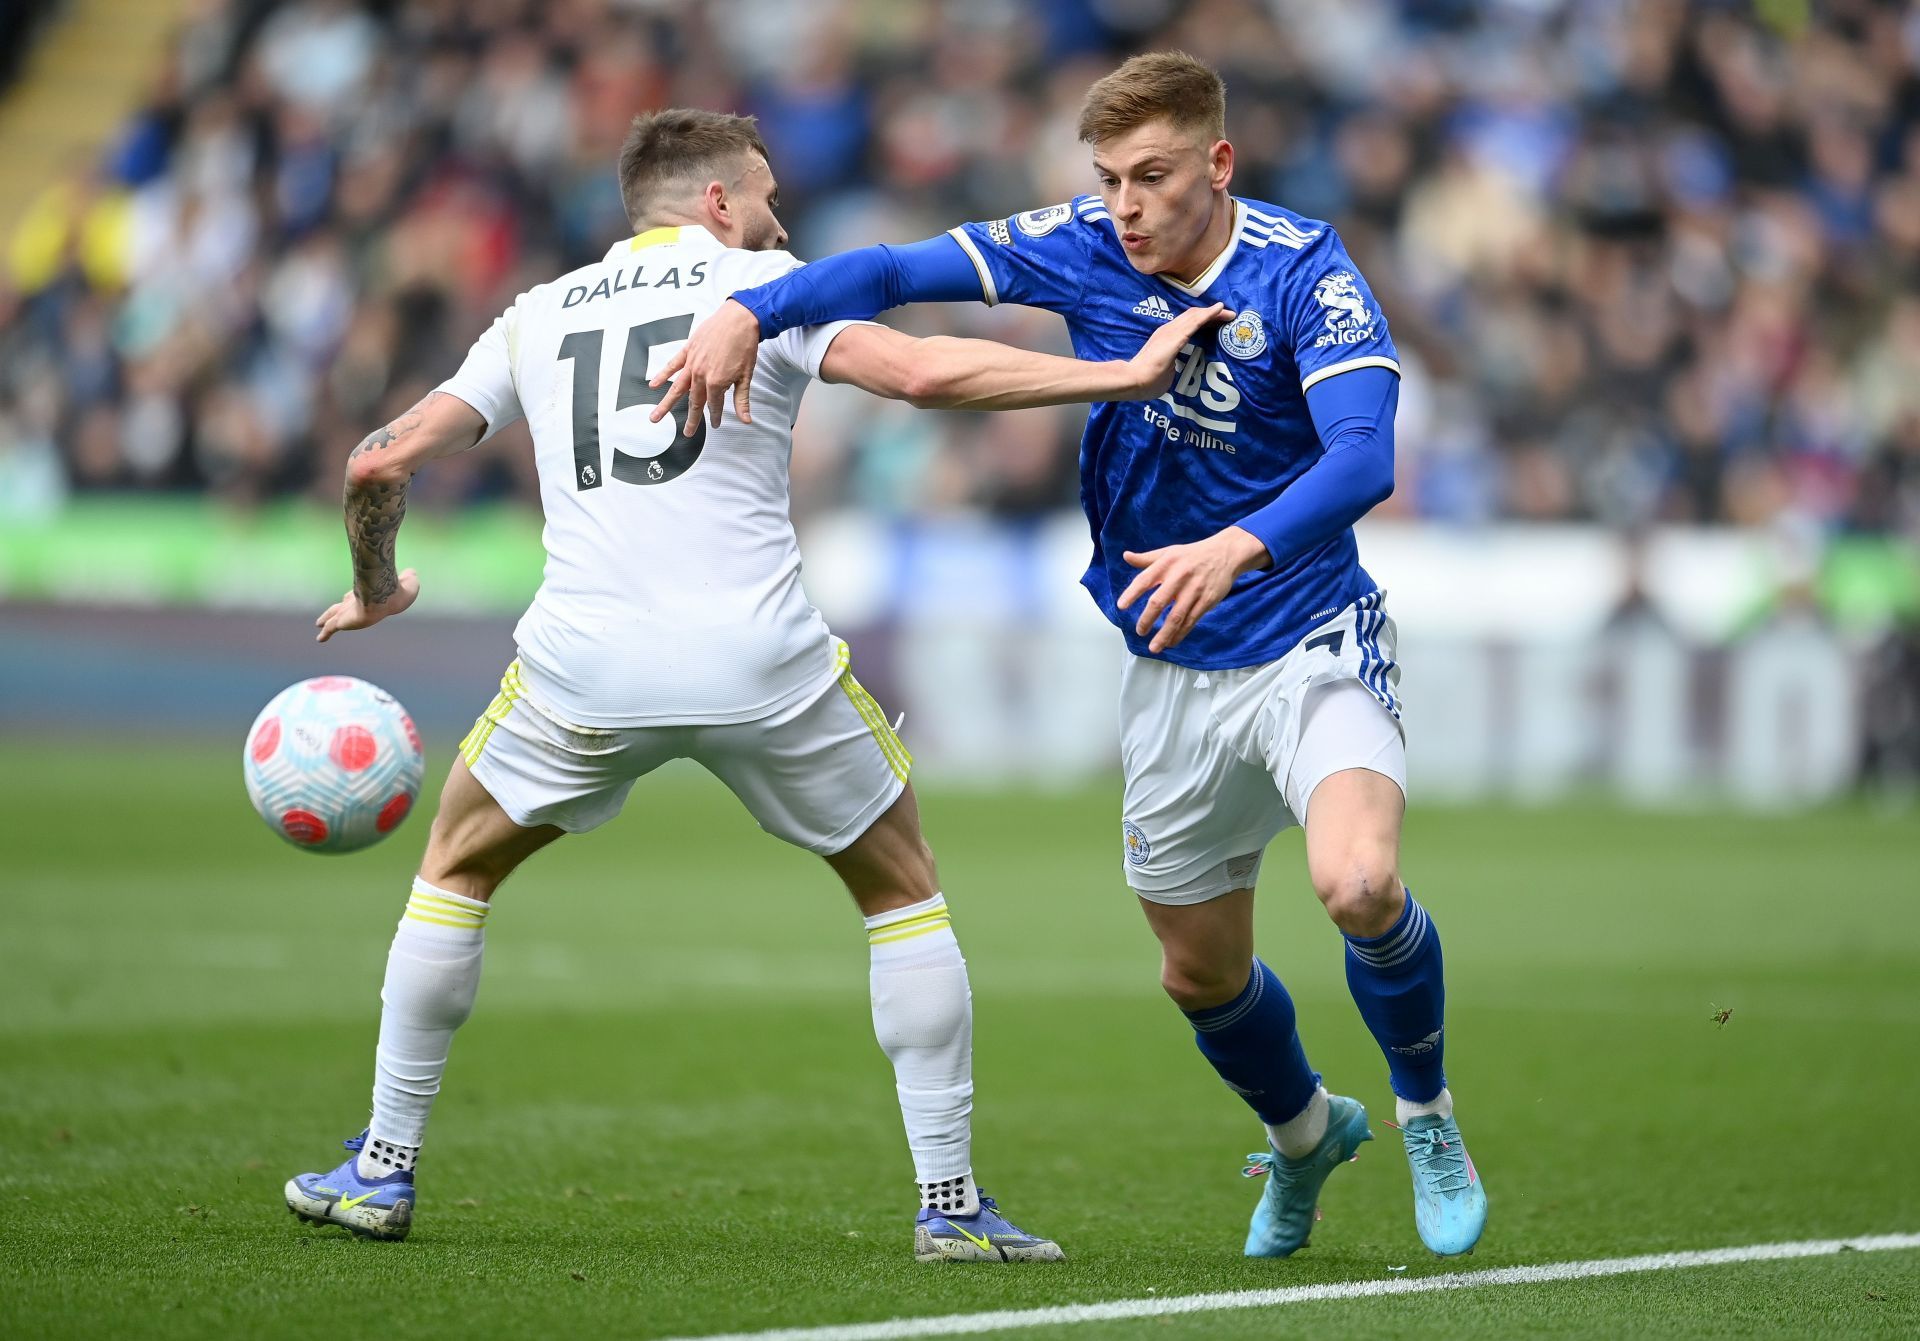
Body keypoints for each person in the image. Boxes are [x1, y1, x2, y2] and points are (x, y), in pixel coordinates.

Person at [284, 107, 1222, 1261]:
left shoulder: (533, 317)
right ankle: (950, 1206)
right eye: (766, 195)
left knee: (455, 868)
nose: (780, 215)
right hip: (761, 662)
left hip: (587, 665)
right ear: (718, 204)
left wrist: (375, 585)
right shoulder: (764, 284)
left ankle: (380, 1170)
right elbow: (924, 375)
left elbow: (379, 457)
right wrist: (1117, 374)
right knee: (900, 888)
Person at [655, 52, 1489, 1259]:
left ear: (1218, 163)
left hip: (1311, 633)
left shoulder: (1308, 272)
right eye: (1108, 180)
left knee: (1358, 883)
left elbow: (1364, 460)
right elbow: (893, 272)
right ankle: (1307, 1136)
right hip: (1169, 661)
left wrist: (1236, 549)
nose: (1127, 207)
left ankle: (1426, 1113)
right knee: (1198, 977)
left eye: (1151, 177)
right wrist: (749, 305)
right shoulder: (1085, 243)